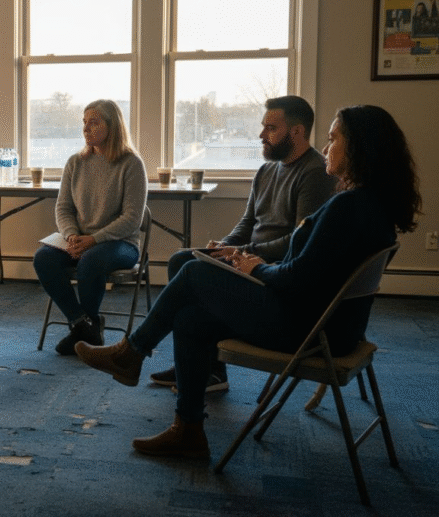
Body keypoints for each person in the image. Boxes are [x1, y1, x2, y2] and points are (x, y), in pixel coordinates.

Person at [75, 104, 421, 458]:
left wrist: (256, 269)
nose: (326, 146)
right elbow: (309, 271)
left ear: (359, 147)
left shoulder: (346, 207)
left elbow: (297, 278)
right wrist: (247, 260)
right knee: (191, 318)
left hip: (307, 329)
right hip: (332, 326)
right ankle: (188, 430)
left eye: (333, 139)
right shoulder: (372, 206)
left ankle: (131, 352)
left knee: (193, 272)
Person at [151, 95, 336, 392]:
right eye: (263, 127)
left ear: (297, 132)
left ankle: (195, 364)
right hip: (248, 258)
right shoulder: (266, 170)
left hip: (271, 271)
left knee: (192, 271)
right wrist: (225, 245)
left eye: (271, 129)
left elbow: (299, 241)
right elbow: (248, 223)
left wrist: (242, 252)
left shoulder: (315, 172)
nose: (261, 135)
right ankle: (202, 365)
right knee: (182, 259)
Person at [32, 99, 147, 355]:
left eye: (94, 122)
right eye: (84, 122)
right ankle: (83, 325)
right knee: (43, 258)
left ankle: (83, 329)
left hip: (121, 244)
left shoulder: (131, 163)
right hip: (80, 240)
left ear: (112, 125)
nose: (86, 128)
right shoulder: (76, 162)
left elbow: (132, 219)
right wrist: (72, 235)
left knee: (91, 261)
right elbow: (63, 208)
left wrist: (94, 239)